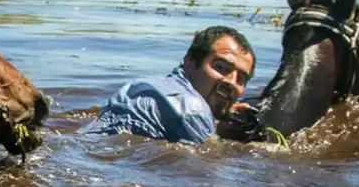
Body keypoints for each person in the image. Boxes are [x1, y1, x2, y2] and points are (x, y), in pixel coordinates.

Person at [85, 26, 256, 143]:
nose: (231, 82)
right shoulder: (193, 110)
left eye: (241, 78)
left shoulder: (146, 86)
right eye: (221, 67)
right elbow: (205, 171)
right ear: (190, 61)